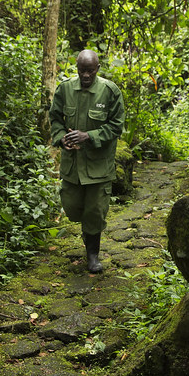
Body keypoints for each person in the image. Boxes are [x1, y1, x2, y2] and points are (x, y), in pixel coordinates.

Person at [49, 49, 125, 273]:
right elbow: (55, 118)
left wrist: (89, 136)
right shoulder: (65, 90)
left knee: (95, 211)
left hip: (98, 166)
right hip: (72, 165)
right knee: (72, 207)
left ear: (97, 69)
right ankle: (88, 230)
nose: (85, 76)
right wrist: (61, 138)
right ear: (77, 69)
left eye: (90, 71)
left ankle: (92, 255)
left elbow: (116, 126)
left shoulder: (110, 91)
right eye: (82, 71)